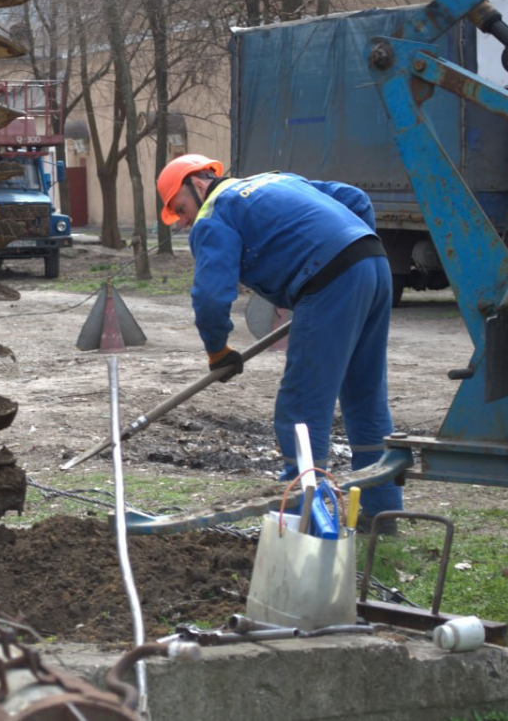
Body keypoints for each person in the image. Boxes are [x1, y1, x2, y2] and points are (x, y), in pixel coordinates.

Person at [156, 154, 402, 532]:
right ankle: (383, 515)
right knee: (364, 396)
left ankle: (304, 521)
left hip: (329, 281)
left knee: (301, 408)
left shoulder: (214, 215)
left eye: (181, 208)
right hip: (374, 265)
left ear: (199, 184)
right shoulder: (276, 180)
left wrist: (217, 351)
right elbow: (356, 200)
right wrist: (349, 258)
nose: (184, 219)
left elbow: (210, 297)